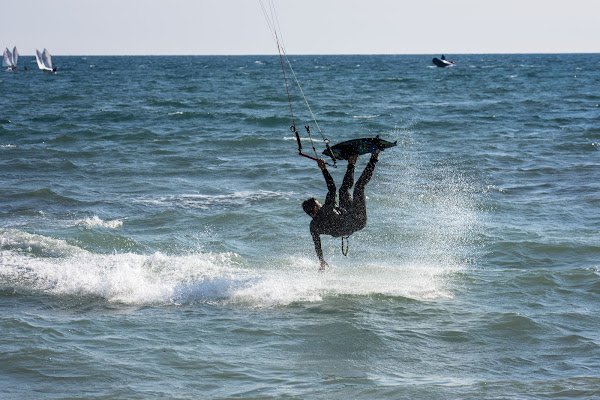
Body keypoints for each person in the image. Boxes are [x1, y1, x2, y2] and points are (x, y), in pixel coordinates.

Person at [302, 149, 380, 271]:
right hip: (357, 220)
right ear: (315, 209)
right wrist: (323, 169)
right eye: (319, 204)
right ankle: (374, 156)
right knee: (359, 187)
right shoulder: (326, 210)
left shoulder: (313, 226)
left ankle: (352, 162)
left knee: (343, 191)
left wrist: (321, 261)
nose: (321, 204)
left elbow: (317, 245)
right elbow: (331, 188)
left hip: (347, 219)